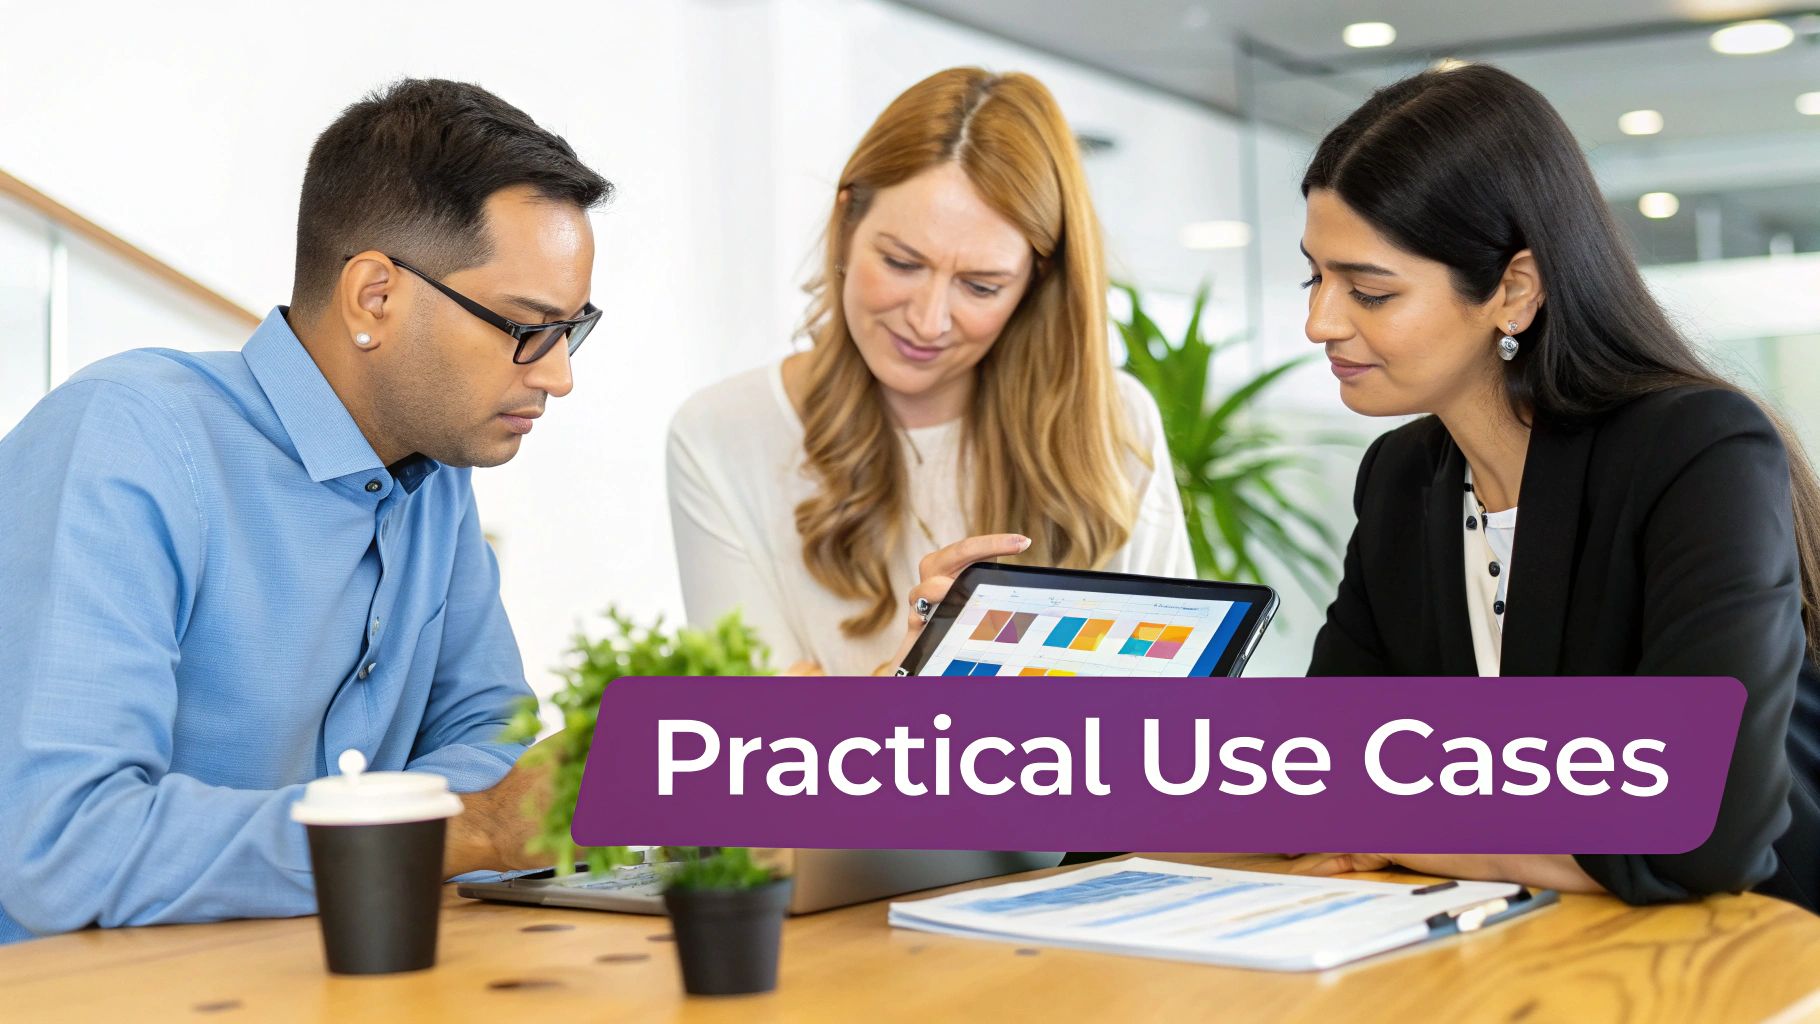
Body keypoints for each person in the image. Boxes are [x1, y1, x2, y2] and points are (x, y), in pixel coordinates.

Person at [0, 79, 611, 941]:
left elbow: (493, 740)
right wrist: (459, 829)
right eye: (526, 327)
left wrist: (447, 821)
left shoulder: (436, 476)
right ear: (375, 297)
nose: (557, 374)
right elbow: (63, 849)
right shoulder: (130, 438)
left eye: (571, 329)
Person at [1295, 64, 1819, 913]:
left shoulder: (1697, 450)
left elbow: (1702, 831)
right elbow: (1324, 769)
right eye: (1313, 277)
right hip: (1546, 951)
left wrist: (1414, 829)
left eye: (1370, 291)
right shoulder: (1402, 479)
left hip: (1754, 956)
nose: (1321, 321)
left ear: (1513, 290)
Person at [667, 67, 1193, 676]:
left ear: (1035, 282)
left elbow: (1164, 714)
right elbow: (751, 744)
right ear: (847, 225)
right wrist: (913, 672)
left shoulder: (1112, 424)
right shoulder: (721, 434)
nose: (928, 319)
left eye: (980, 285)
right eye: (901, 262)